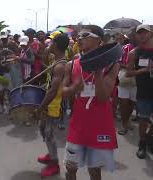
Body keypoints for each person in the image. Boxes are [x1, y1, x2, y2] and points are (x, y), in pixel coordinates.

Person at [62, 25, 119, 180]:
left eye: (85, 35)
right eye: (78, 36)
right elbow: (63, 92)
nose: (79, 39)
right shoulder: (71, 64)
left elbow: (102, 97)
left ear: (99, 40)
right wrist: (74, 88)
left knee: (94, 171)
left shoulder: (112, 64)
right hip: (77, 124)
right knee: (70, 168)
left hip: (100, 124)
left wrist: (98, 72)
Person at [37, 33, 69, 177]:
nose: (49, 45)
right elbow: (43, 62)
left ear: (55, 45)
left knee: (49, 134)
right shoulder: (56, 60)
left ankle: (54, 164)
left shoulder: (61, 66)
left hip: (55, 104)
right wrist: (45, 51)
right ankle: (51, 155)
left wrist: (40, 108)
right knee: (43, 128)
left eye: (51, 43)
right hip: (50, 102)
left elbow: (52, 91)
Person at [126, 24, 153, 159]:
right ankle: (142, 144)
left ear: (151, 33)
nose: (142, 35)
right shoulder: (134, 53)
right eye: (139, 33)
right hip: (144, 92)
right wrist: (143, 70)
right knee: (143, 120)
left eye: (145, 32)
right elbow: (128, 73)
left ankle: (149, 138)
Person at [0, 29, 19, 114]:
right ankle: (1, 106)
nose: (3, 39)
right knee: (0, 91)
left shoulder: (13, 44)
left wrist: (12, 62)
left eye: (5, 38)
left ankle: (10, 106)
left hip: (10, 70)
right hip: (0, 70)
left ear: (8, 36)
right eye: (2, 38)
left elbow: (17, 55)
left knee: (10, 90)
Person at [117, 29, 137, 135]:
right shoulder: (125, 48)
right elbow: (119, 63)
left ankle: (126, 120)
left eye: (135, 35)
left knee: (133, 102)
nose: (134, 37)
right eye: (132, 36)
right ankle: (124, 125)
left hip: (138, 78)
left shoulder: (144, 48)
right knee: (124, 102)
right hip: (125, 76)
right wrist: (130, 67)